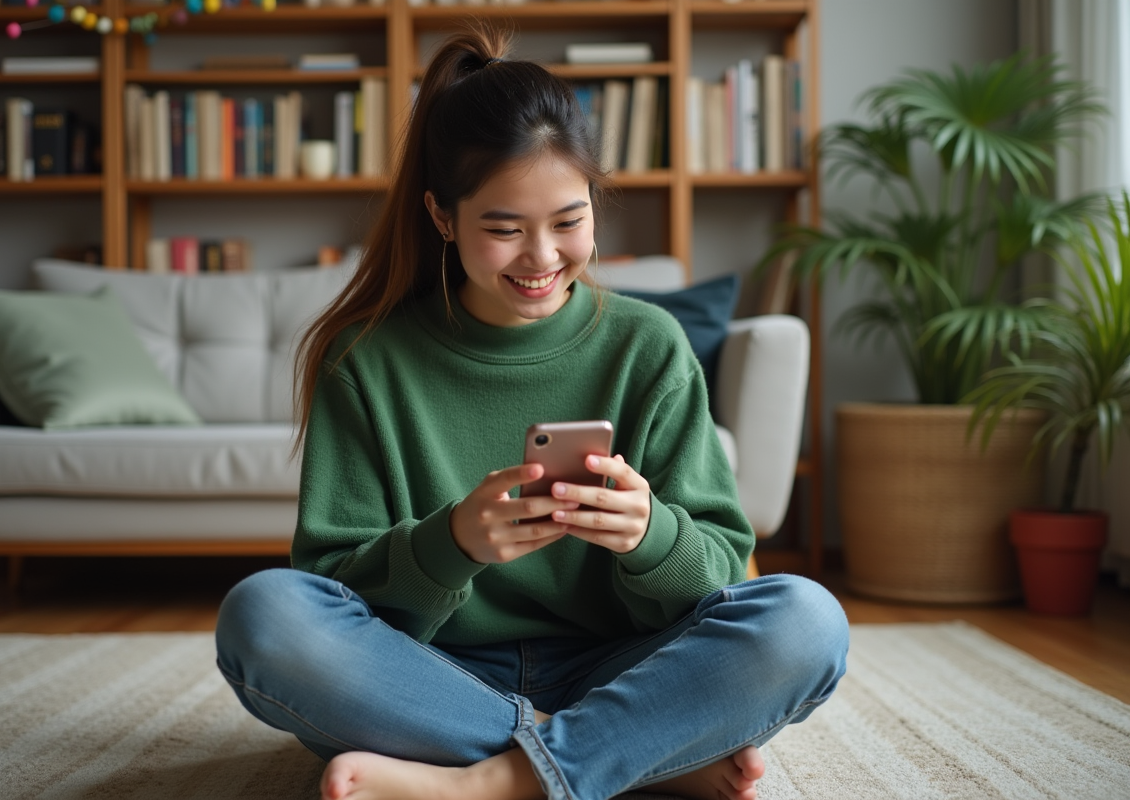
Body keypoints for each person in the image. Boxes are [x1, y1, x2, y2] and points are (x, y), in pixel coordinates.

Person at [215, 26, 849, 800]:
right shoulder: (366, 358)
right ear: (443, 218)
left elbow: (722, 566)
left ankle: (485, 782)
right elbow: (327, 585)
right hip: (432, 677)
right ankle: (629, 752)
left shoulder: (648, 345)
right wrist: (449, 544)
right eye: (504, 228)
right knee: (262, 618)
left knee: (806, 620)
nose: (542, 257)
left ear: (595, 206)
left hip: (620, 659)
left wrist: (651, 536)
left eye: (569, 221)